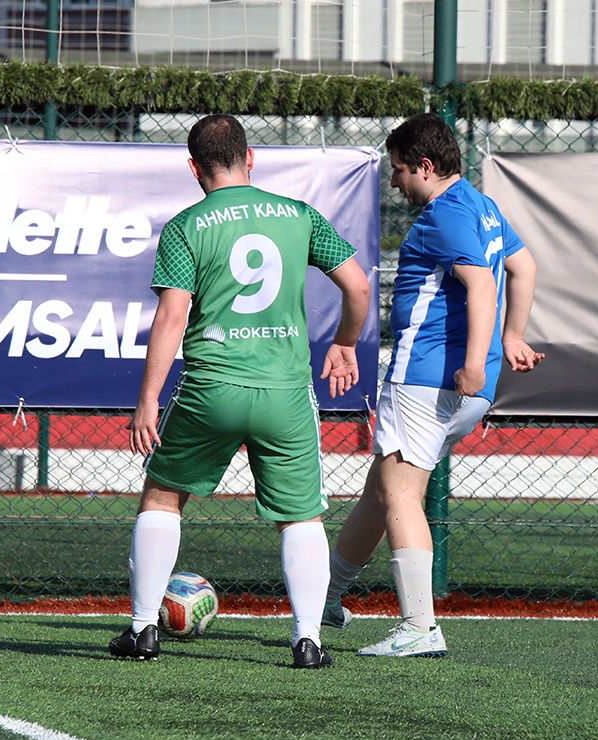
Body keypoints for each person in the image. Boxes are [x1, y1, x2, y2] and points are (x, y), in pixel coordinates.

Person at [108, 113, 370, 669]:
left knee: (163, 497)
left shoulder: (186, 226)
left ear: (193, 167)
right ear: (250, 158)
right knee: (300, 517)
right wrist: (345, 343)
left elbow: (172, 316)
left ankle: (143, 629)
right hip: (285, 392)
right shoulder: (300, 215)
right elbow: (359, 286)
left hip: (212, 387)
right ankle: (307, 641)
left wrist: (148, 398)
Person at [321, 112, 544, 657]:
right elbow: (525, 267)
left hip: (427, 377)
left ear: (424, 166)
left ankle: (420, 627)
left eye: (399, 170)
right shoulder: (483, 206)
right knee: (382, 491)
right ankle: (325, 595)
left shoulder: (445, 214)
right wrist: (512, 338)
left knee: (400, 494)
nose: (395, 182)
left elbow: (481, 284)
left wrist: (472, 361)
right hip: (468, 388)